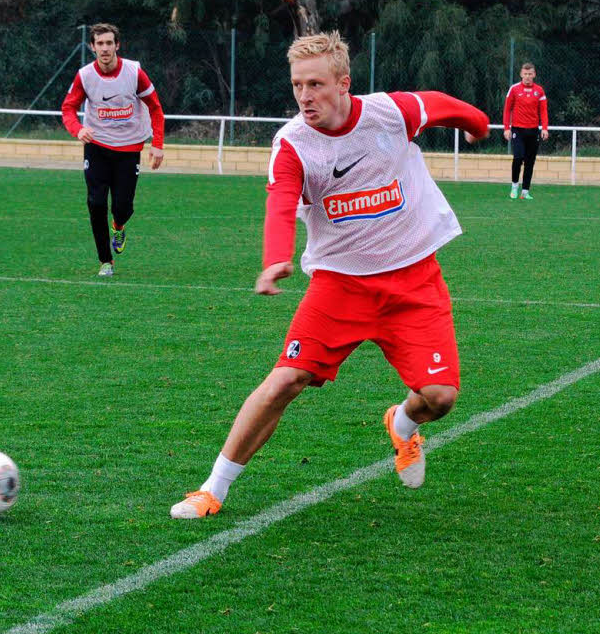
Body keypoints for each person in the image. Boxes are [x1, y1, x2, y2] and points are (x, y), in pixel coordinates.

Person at [170, 31, 489, 519]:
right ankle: (212, 488)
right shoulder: (293, 144)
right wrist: (276, 256)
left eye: (315, 84)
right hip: (339, 286)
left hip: (414, 280)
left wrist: (478, 123)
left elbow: (439, 104)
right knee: (285, 380)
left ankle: (402, 425)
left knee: (440, 397)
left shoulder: (388, 112)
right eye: (297, 85)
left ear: (344, 84)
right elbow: (279, 202)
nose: (304, 96)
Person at [61, 23, 165, 277]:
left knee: (122, 207)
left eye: (109, 43)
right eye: (100, 44)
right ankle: (105, 262)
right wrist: (78, 130)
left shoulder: (134, 72)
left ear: (117, 45)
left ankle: (118, 225)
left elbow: (155, 108)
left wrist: (157, 145)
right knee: (95, 203)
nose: (105, 48)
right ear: (93, 47)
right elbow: (68, 108)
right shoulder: (85, 76)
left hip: (129, 148)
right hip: (96, 147)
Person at [503, 63, 549, 200]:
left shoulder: (539, 91)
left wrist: (545, 128)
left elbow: (543, 111)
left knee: (530, 161)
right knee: (518, 157)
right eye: (525, 74)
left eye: (530, 74)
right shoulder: (514, 89)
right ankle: (514, 186)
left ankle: (525, 191)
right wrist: (507, 128)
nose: (527, 77)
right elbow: (507, 109)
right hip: (518, 129)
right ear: (521, 74)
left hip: (533, 130)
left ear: (534, 75)